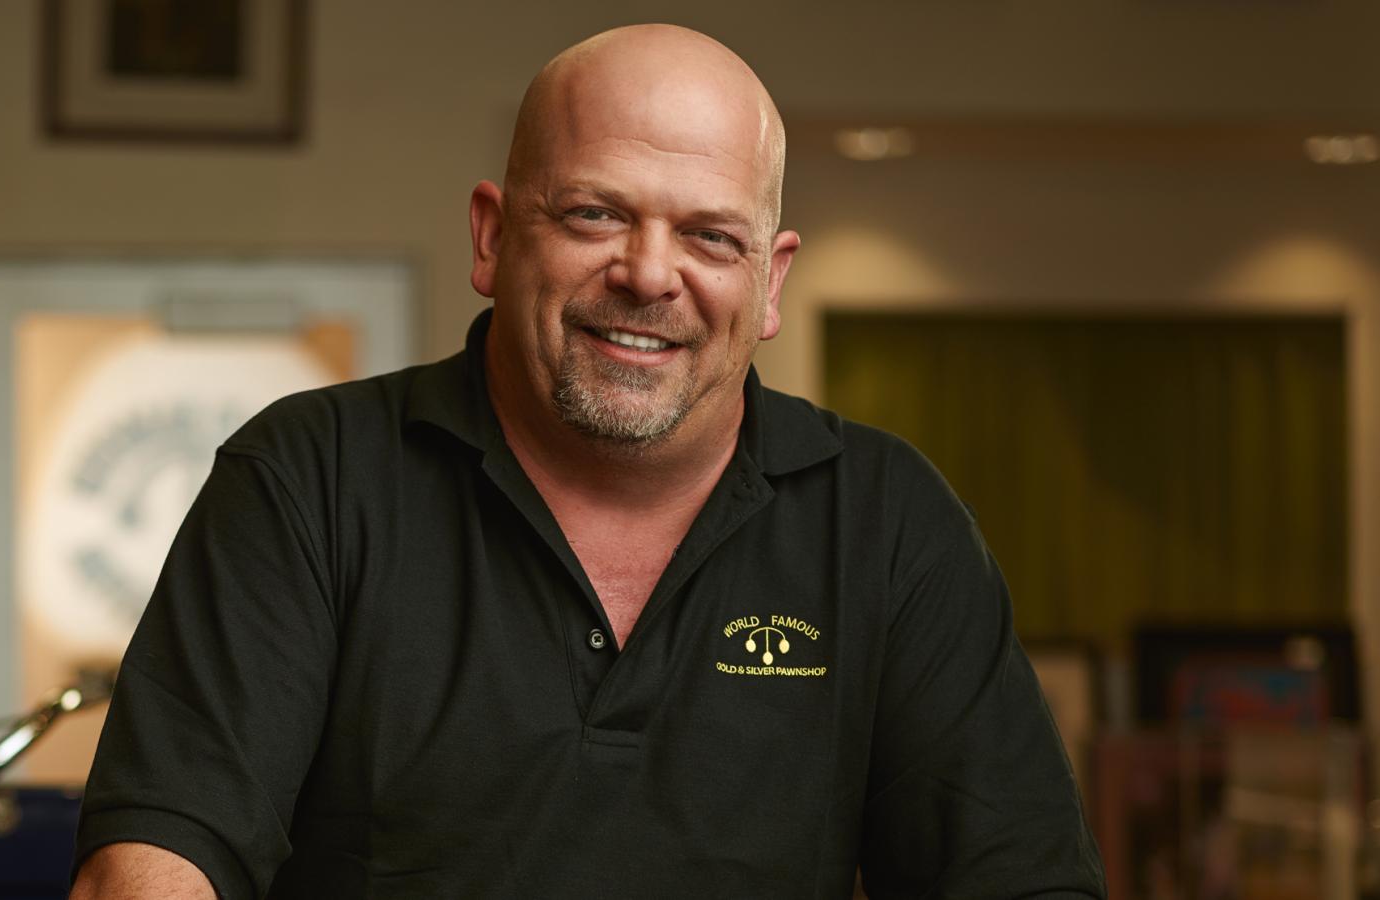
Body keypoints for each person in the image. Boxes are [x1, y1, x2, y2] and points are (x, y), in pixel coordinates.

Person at [70, 24, 1107, 900]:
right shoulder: (310, 479)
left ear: (770, 281)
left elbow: (1019, 876)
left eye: (710, 236)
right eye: (595, 214)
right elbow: (156, 865)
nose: (649, 274)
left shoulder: (887, 522)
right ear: (492, 237)